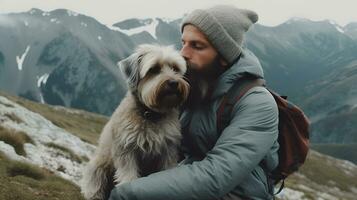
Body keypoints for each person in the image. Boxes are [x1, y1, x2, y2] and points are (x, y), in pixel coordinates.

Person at [109, 5, 279, 200]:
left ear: (224, 55)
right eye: (184, 43)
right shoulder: (190, 87)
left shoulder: (257, 103)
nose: (184, 53)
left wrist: (130, 191)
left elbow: (215, 176)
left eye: (197, 46)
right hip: (187, 187)